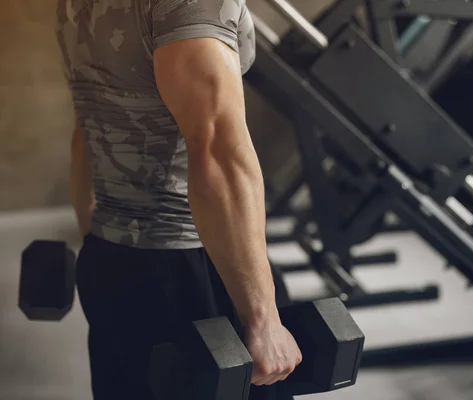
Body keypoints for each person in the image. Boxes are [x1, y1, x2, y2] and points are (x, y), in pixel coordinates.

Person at [55, 0, 302, 399]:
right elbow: (217, 153)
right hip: (189, 269)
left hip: (109, 256)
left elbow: (87, 126)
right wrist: (263, 318)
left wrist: (95, 240)